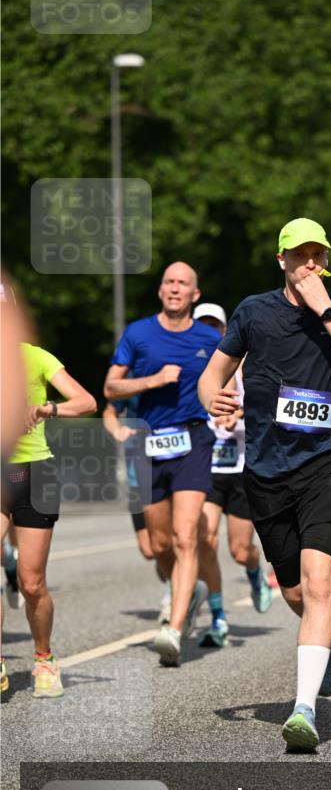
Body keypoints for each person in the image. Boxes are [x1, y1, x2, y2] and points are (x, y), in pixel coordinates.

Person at [199, 217, 331, 751]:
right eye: (299, 256)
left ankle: (304, 711)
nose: (309, 264)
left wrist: (324, 307)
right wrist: (212, 397)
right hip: (267, 472)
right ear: (281, 260)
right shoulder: (253, 312)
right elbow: (214, 372)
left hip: (329, 464)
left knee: (320, 583)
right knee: (298, 593)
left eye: (317, 256)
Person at [104, 262, 220, 667]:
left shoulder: (209, 338)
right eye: (169, 282)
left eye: (182, 283)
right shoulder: (138, 334)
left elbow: (229, 383)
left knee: (187, 535)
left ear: (195, 294)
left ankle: (173, 627)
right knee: (159, 545)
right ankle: (187, 591)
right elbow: (110, 387)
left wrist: (230, 407)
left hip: (193, 441)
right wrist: (151, 381)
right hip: (147, 443)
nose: (174, 288)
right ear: (160, 291)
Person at [1, 342, 96, 695]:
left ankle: (44, 657)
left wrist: (47, 409)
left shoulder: (35, 356)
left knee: (31, 583)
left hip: (34, 474)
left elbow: (86, 402)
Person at [192, 302, 272, 649]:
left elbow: (268, 407)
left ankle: (255, 574)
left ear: (225, 331)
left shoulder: (245, 367)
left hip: (241, 469)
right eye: (202, 327)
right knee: (204, 540)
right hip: (207, 470)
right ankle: (218, 615)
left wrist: (237, 416)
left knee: (240, 550)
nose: (209, 333)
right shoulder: (196, 370)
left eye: (214, 327)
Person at [102, 397, 171, 624]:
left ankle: (173, 594)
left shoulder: (176, 369)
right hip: (136, 474)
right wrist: (116, 430)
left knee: (171, 540)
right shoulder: (131, 375)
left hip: (170, 468)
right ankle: (174, 575)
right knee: (150, 550)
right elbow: (110, 412)